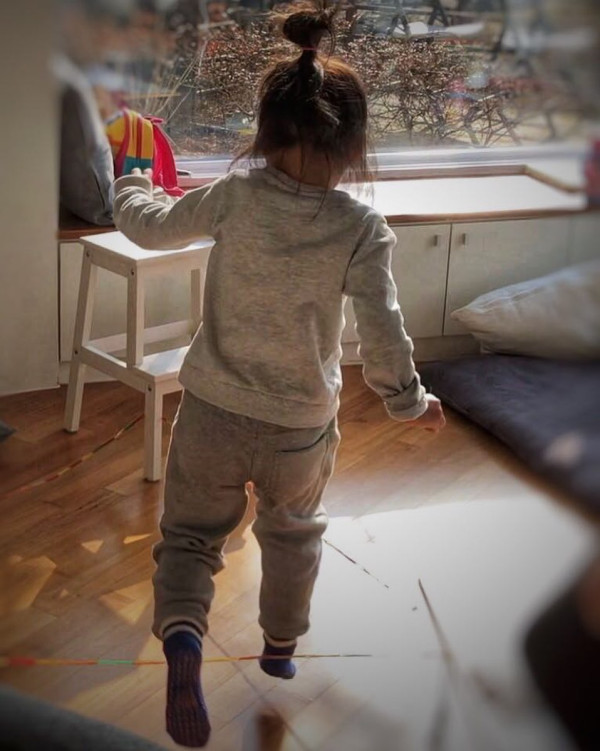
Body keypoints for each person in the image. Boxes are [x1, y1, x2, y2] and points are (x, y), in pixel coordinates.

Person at [112, 4, 446, 746]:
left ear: (265, 133)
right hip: (299, 427)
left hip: (212, 412)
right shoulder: (360, 227)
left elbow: (150, 225)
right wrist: (409, 404)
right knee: (294, 534)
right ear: (352, 146)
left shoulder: (235, 197)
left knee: (190, 537)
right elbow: (384, 331)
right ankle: (280, 643)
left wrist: (131, 180)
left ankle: (184, 636)